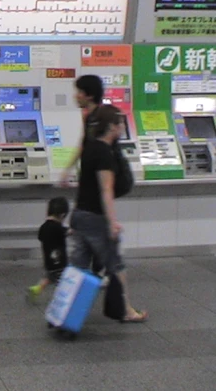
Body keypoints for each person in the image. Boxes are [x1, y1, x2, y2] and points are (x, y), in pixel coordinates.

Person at [69, 104, 147, 323]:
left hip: (81, 215)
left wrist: (75, 217)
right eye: (121, 123)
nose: (123, 127)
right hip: (95, 218)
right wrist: (112, 222)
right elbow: (106, 190)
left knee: (77, 268)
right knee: (116, 266)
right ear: (112, 126)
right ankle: (126, 310)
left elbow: (84, 186)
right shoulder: (104, 153)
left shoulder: (91, 147)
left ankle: (63, 311)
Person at [60, 74, 105, 186]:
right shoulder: (90, 117)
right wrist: (68, 169)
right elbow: (84, 144)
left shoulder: (100, 118)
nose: (76, 96)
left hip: (97, 179)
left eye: (79, 92)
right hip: (90, 176)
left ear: (89, 96)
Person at [28, 196, 70, 303]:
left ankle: (36, 289)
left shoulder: (43, 227)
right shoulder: (58, 228)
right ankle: (61, 300)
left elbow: (40, 237)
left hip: (48, 262)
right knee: (61, 282)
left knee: (49, 278)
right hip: (59, 263)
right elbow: (66, 232)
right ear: (62, 215)